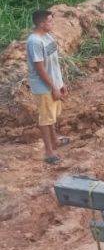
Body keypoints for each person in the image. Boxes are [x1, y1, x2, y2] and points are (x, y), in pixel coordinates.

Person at [26, 9, 67, 165]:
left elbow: (54, 63)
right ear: (41, 24)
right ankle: (49, 152)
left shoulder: (48, 36)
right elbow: (40, 68)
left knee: (52, 116)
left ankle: (55, 140)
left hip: (53, 84)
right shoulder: (34, 42)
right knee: (45, 119)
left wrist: (60, 83)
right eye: (50, 21)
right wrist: (53, 88)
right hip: (44, 88)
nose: (53, 23)